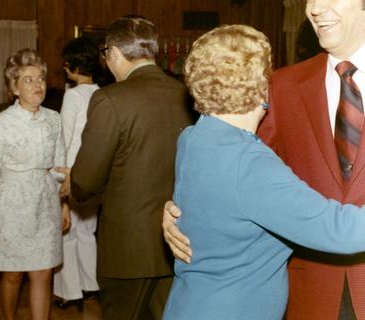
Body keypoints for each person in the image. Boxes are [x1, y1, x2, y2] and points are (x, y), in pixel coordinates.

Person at [163, 0, 365, 319]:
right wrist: (174, 213)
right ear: (260, 91)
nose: (316, 8)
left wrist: (186, 212)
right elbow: (241, 175)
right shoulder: (281, 87)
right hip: (299, 295)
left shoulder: (192, 137)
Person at [58, 15, 193, 319]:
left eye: (106, 55)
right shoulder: (183, 94)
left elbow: (88, 179)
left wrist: (74, 178)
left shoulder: (110, 99)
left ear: (115, 53)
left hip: (128, 246)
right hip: (175, 238)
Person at [0, 48, 69, 320]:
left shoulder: (54, 119)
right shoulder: (0, 124)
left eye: (40, 78)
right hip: (11, 206)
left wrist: (64, 204)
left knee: (42, 272)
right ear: (14, 88)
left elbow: (60, 166)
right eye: (27, 80)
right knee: (13, 273)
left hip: (46, 204)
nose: (37, 84)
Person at [53, 37, 101, 311]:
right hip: (93, 172)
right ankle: (91, 285)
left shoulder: (72, 95)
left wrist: (60, 177)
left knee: (67, 233)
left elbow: (65, 138)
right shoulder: (102, 93)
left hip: (71, 171)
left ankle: (71, 293)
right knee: (87, 232)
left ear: (70, 65)